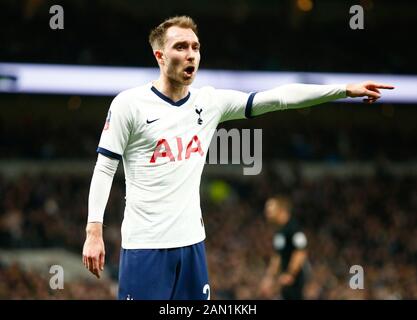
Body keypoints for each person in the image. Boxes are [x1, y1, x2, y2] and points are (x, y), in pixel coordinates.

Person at [81, 15, 394, 300]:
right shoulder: (129, 105)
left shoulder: (210, 102)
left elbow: (279, 98)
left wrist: (342, 90)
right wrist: (94, 232)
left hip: (192, 245)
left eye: (195, 47)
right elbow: (105, 167)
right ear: (159, 56)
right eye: (180, 46)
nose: (191, 54)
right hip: (145, 247)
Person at [259, 195, 309, 300]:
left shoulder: (294, 228)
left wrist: (290, 274)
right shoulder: (280, 231)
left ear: (281, 210)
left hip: (296, 279)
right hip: (285, 279)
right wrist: (269, 278)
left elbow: (300, 252)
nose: (267, 212)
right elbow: (277, 256)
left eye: (270, 208)